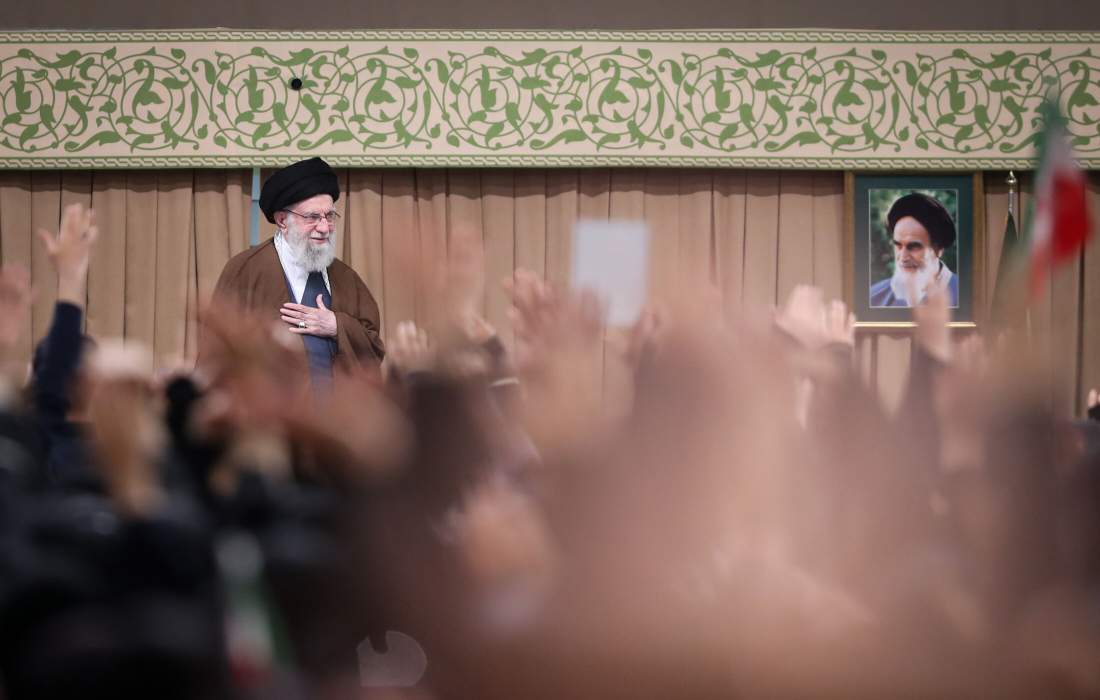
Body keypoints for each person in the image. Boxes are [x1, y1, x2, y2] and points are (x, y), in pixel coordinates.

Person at [207, 157, 385, 385]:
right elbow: (217, 355)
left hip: (337, 406)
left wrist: (337, 326)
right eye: (312, 217)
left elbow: (373, 347)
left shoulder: (346, 277)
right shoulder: (245, 271)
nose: (324, 228)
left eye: (329, 216)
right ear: (283, 220)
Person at [869, 192, 959, 308]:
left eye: (913, 247)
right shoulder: (873, 297)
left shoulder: (968, 297)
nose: (903, 257)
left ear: (938, 249)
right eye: (898, 245)